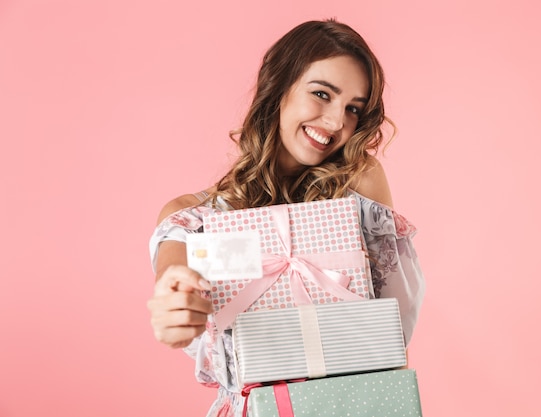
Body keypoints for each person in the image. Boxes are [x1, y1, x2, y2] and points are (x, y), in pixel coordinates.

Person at [147, 19, 425, 417]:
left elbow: (388, 335)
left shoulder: (357, 189)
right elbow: (175, 267)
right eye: (321, 94)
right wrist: (175, 295)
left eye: (353, 109)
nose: (335, 123)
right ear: (278, 88)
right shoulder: (197, 217)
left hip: (352, 408)